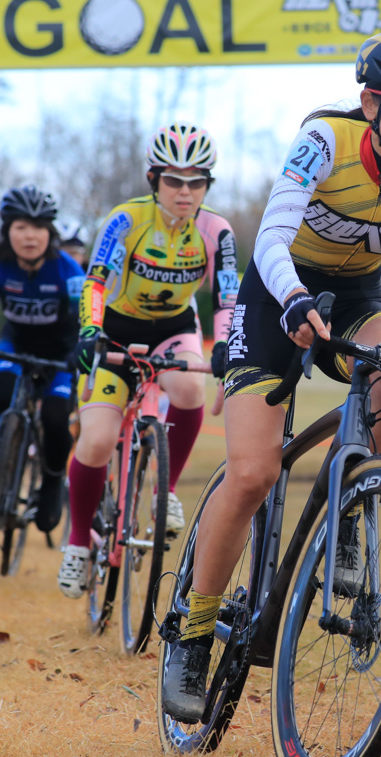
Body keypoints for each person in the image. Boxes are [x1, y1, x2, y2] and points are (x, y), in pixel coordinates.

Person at [160, 29, 381, 723]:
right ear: (372, 100)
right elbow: (270, 236)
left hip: (355, 296)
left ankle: (350, 501)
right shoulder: (325, 139)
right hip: (277, 292)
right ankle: (193, 634)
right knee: (254, 472)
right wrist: (292, 298)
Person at [57, 122, 240, 599]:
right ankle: (78, 543)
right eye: (174, 180)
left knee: (188, 388)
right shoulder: (125, 219)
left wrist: (223, 344)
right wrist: (90, 331)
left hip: (175, 327)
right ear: (153, 180)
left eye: (196, 180)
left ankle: (166, 491)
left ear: (207, 184)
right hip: (116, 328)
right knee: (96, 441)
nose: (185, 191)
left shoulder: (216, 230)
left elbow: (226, 299)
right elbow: (94, 282)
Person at [0, 185, 83, 536]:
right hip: (15, 346)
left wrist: (79, 353)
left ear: (50, 233)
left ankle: (53, 485)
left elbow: (84, 322)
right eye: (21, 227)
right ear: (7, 230)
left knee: (57, 418)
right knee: (0, 397)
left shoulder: (69, 270)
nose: (30, 236)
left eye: (39, 228)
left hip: (59, 353)